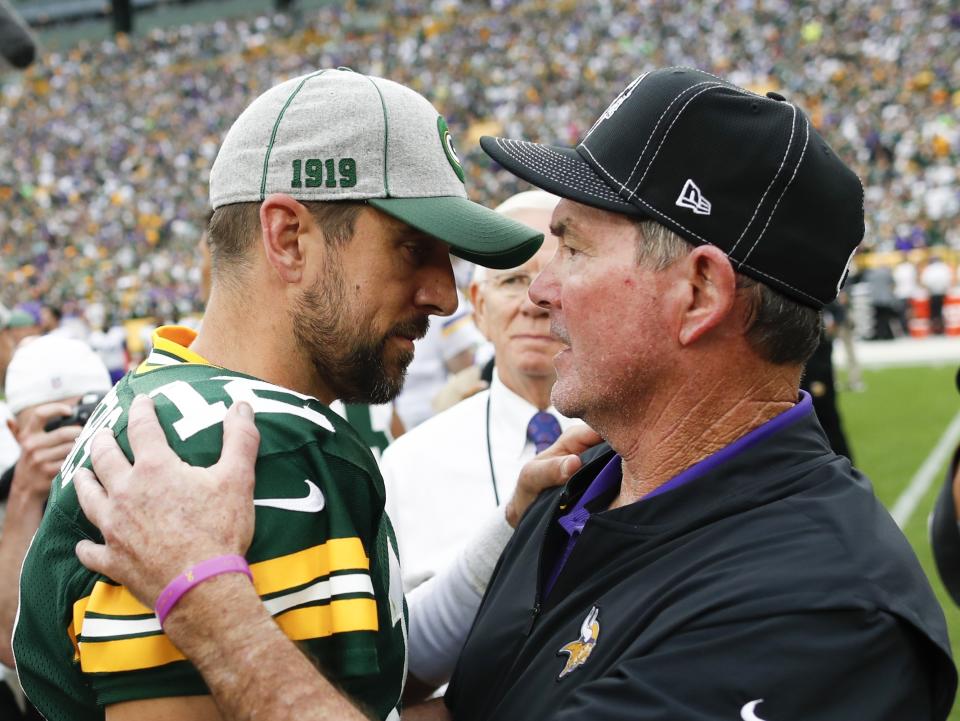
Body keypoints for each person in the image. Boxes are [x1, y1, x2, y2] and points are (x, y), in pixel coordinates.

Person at [63, 68, 957, 720]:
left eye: (570, 245)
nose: (536, 290)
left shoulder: (817, 614)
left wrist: (213, 606)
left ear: (699, 294)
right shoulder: (578, 487)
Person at [12, 67, 544, 721]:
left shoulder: (159, 398)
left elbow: (352, 684)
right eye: (412, 248)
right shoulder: (264, 443)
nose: (445, 293)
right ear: (289, 237)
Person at [382, 190, 577, 591]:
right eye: (513, 280)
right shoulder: (409, 466)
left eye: (560, 278)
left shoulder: (636, 447)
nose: (533, 302)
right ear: (479, 307)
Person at [0, 336, 112, 719]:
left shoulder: (142, 465)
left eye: (85, 413)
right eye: (54, 423)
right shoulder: (9, 497)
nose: (73, 431)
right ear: (16, 432)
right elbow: (7, 645)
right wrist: (25, 496)